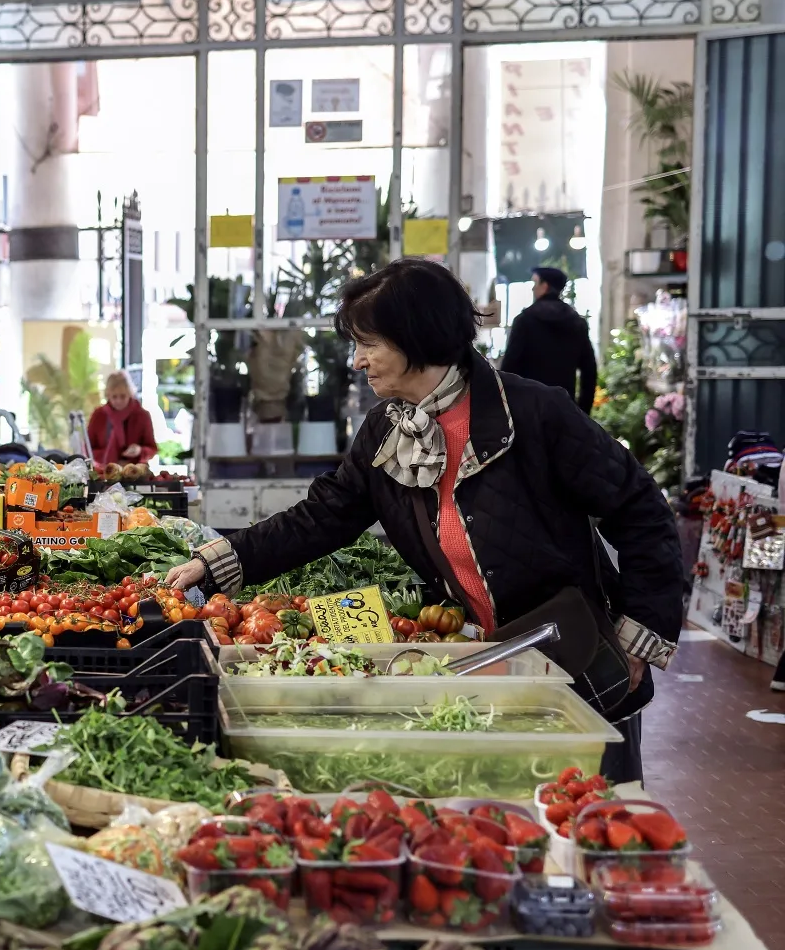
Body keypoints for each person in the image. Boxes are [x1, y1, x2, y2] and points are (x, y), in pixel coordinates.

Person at [165, 258, 683, 781]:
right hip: (486, 661)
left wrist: (640, 627)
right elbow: (322, 516)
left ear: (416, 337)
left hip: (577, 650)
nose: (357, 360)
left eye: (369, 343)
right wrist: (221, 560)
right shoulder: (387, 432)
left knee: (596, 816)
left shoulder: (532, 414)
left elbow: (640, 508)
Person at [500, 266, 598, 412]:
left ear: (544, 286)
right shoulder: (576, 322)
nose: (532, 289)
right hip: (565, 408)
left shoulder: (524, 320)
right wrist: (583, 410)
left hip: (529, 409)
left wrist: (508, 408)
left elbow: (509, 367)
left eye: (535, 283)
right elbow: (589, 370)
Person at [88, 371, 155, 468]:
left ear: (129, 394)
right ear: (108, 395)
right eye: (114, 397)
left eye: (123, 396)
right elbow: (88, 449)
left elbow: (152, 448)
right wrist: (110, 457)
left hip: (134, 472)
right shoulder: (99, 415)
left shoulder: (142, 415)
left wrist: (139, 450)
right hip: (105, 472)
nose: (118, 401)